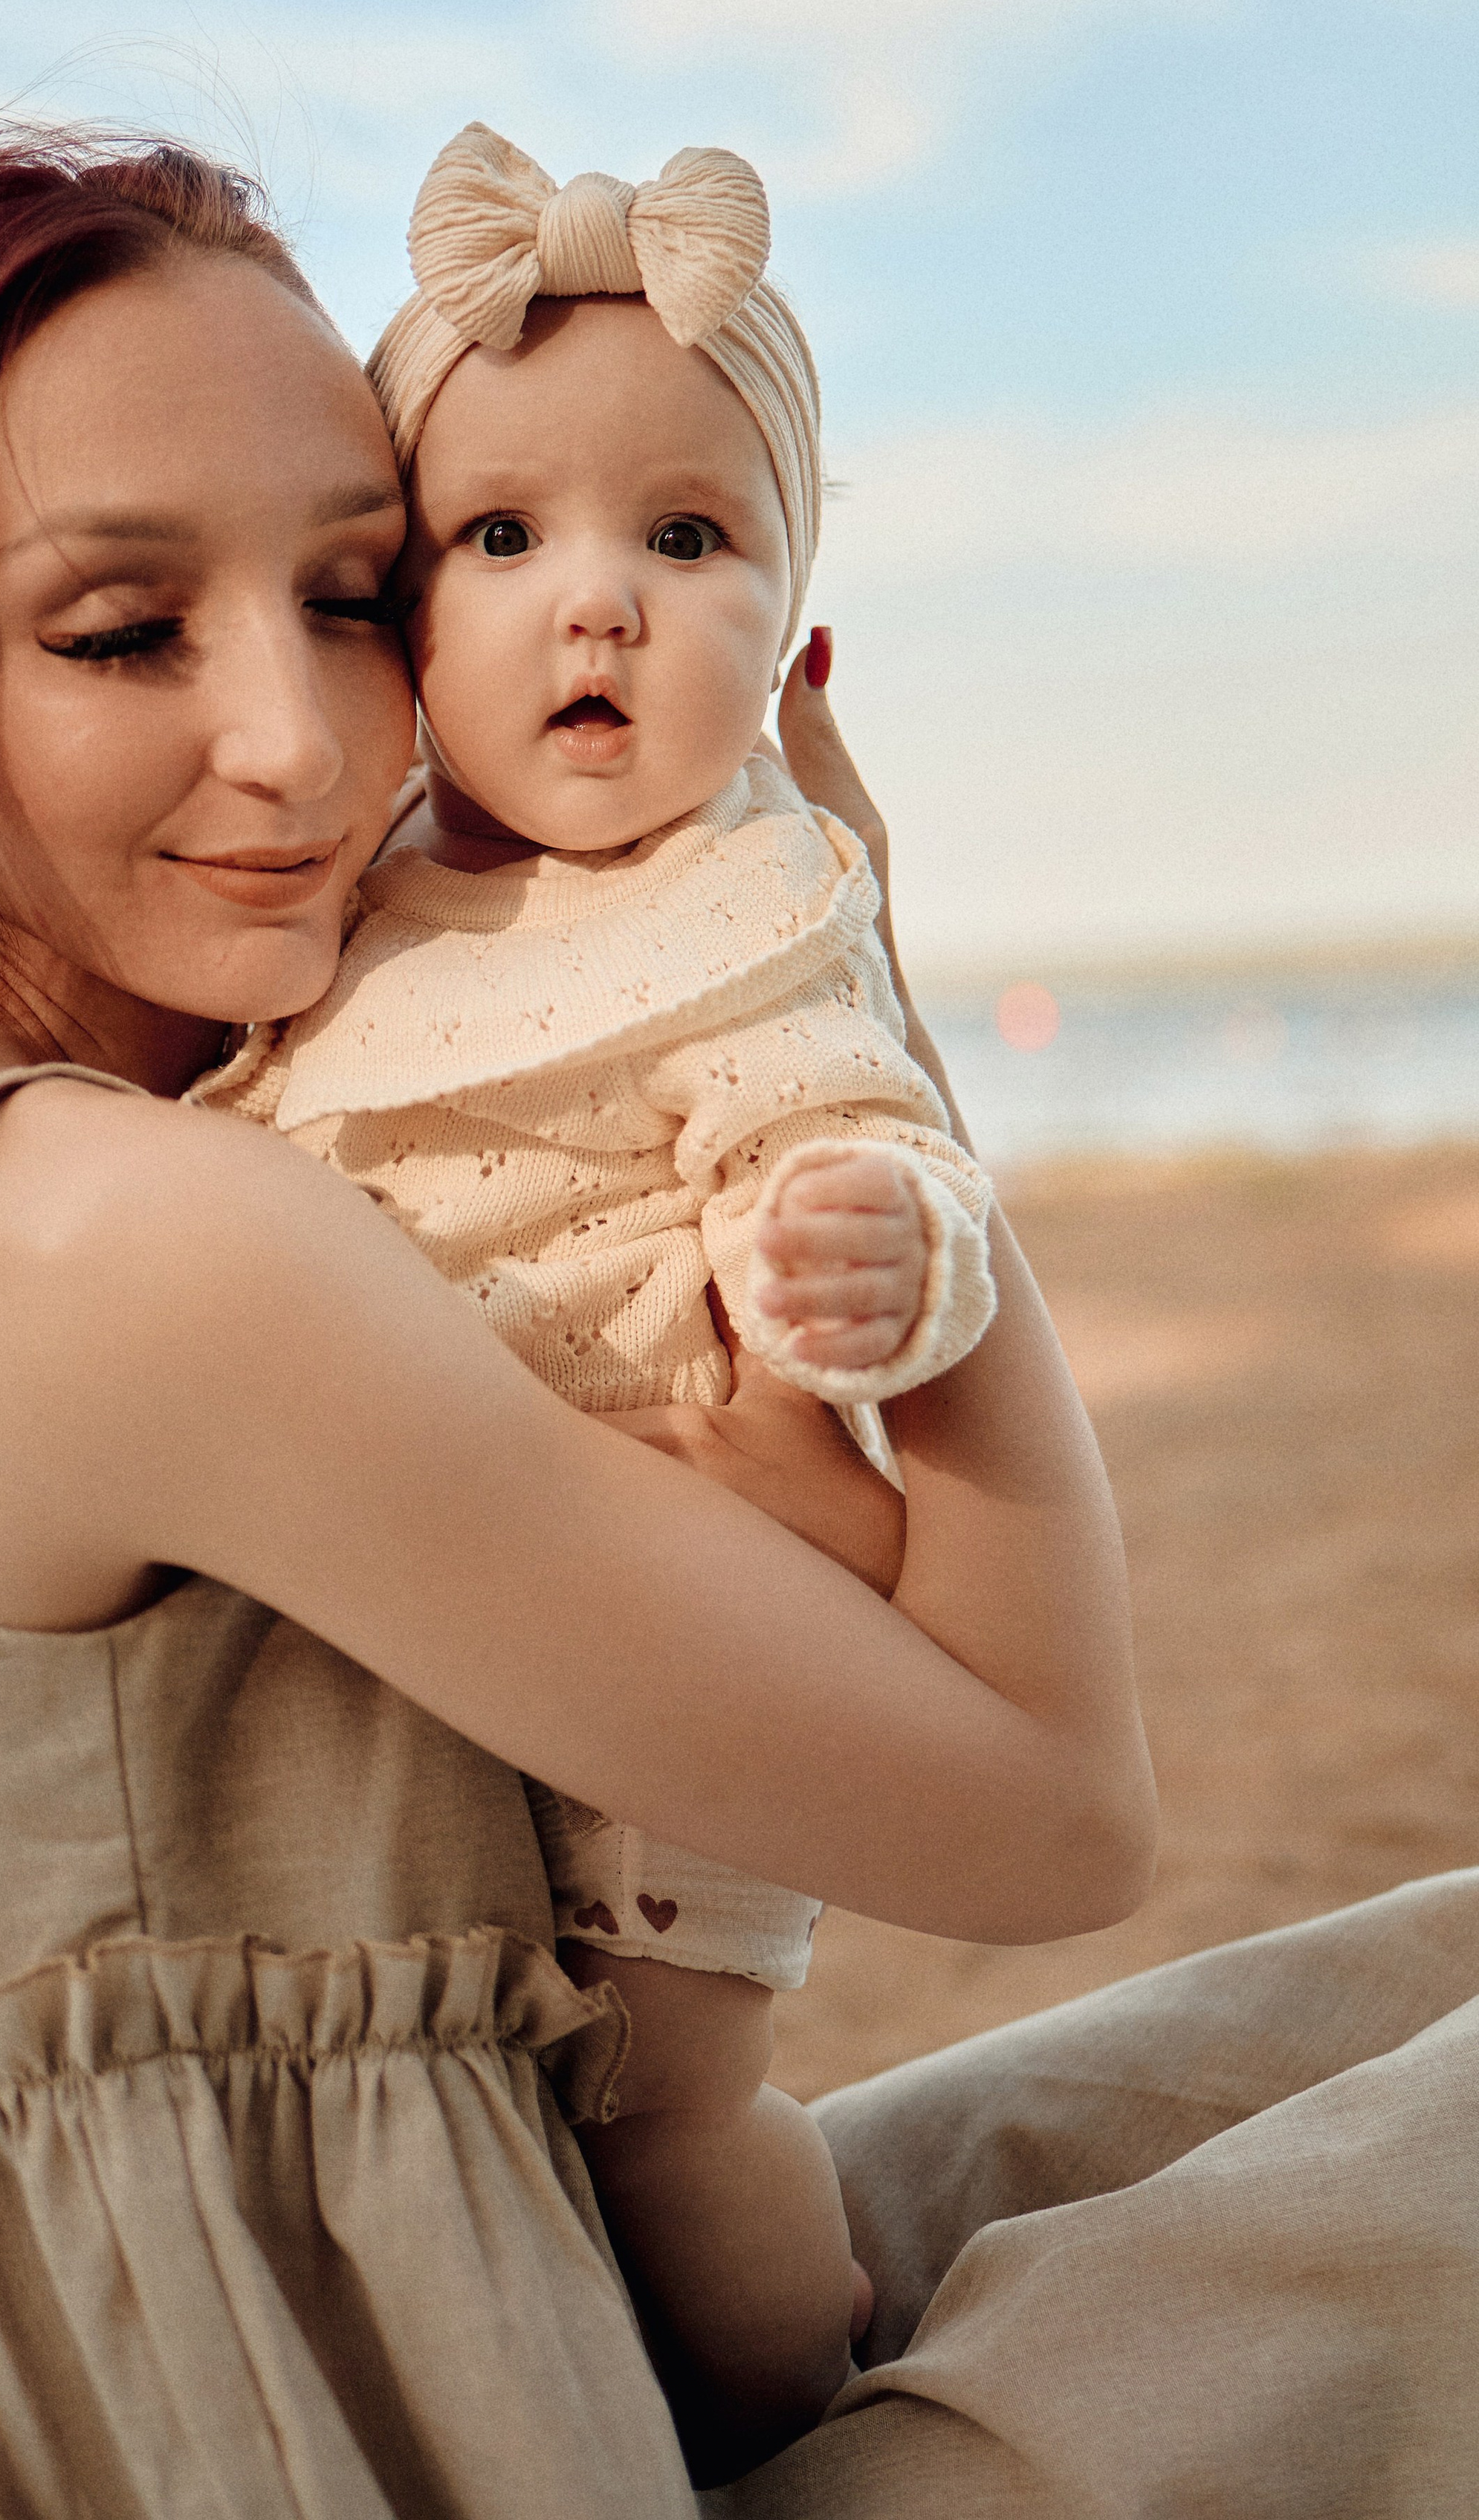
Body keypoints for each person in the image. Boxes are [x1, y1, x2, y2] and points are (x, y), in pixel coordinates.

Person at [0, 129, 1472, 2520]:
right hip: (400, 2436)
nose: (296, 743)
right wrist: (836, 981)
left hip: (476, 2246)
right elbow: (1058, 1807)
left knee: (1425, 1976)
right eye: (120, 626)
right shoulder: (118, 1241)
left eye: (358, 592)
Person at [198, 122, 998, 2463]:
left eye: (689, 534)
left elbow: (863, 1119)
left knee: (666, 2105)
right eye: (503, 536)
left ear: (792, 617)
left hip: (676, 1630)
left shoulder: (750, 901)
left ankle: (805, 2419)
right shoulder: (351, 906)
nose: (601, 602)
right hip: (433, 1647)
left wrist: (860, 1251)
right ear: (396, 609)